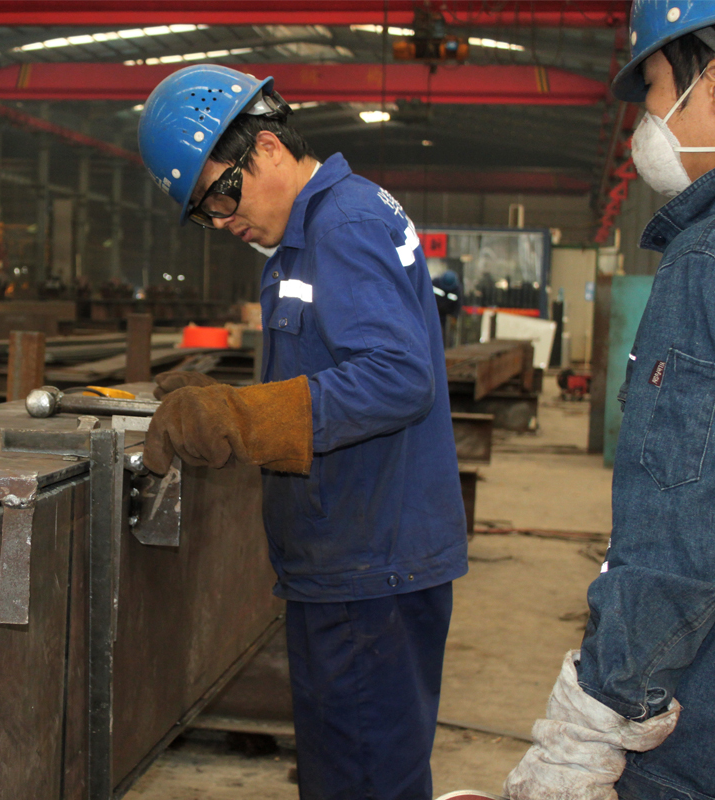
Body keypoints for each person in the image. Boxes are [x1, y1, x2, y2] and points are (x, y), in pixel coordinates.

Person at [137, 65, 468, 800]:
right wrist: (229, 399)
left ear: (268, 146)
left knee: (364, 781)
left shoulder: (341, 226)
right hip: (349, 557)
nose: (221, 221)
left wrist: (244, 418)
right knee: (344, 775)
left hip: (369, 565)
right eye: (204, 213)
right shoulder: (309, 234)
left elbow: (398, 376)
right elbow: (329, 371)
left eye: (220, 195)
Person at [498, 2, 715, 799]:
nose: (645, 119)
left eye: (651, 87)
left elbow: (687, 529)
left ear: (714, 84)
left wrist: (596, 718)